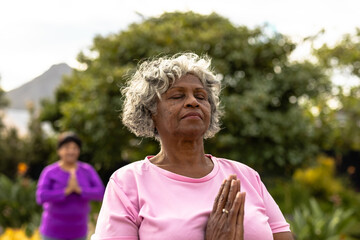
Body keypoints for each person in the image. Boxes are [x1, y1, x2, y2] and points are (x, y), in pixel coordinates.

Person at [92, 53, 294, 240]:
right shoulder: (128, 183)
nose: (192, 102)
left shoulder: (246, 176)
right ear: (150, 112)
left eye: (200, 96)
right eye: (177, 96)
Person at [36, 132, 105, 240]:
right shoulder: (49, 172)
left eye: (75, 148)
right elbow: (41, 197)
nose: (71, 151)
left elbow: (101, 193)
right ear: (59, 150)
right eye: (67, 147)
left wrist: (79, 190)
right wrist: (66, 191)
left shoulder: (87, 170)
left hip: (78, 232)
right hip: (52, 232)